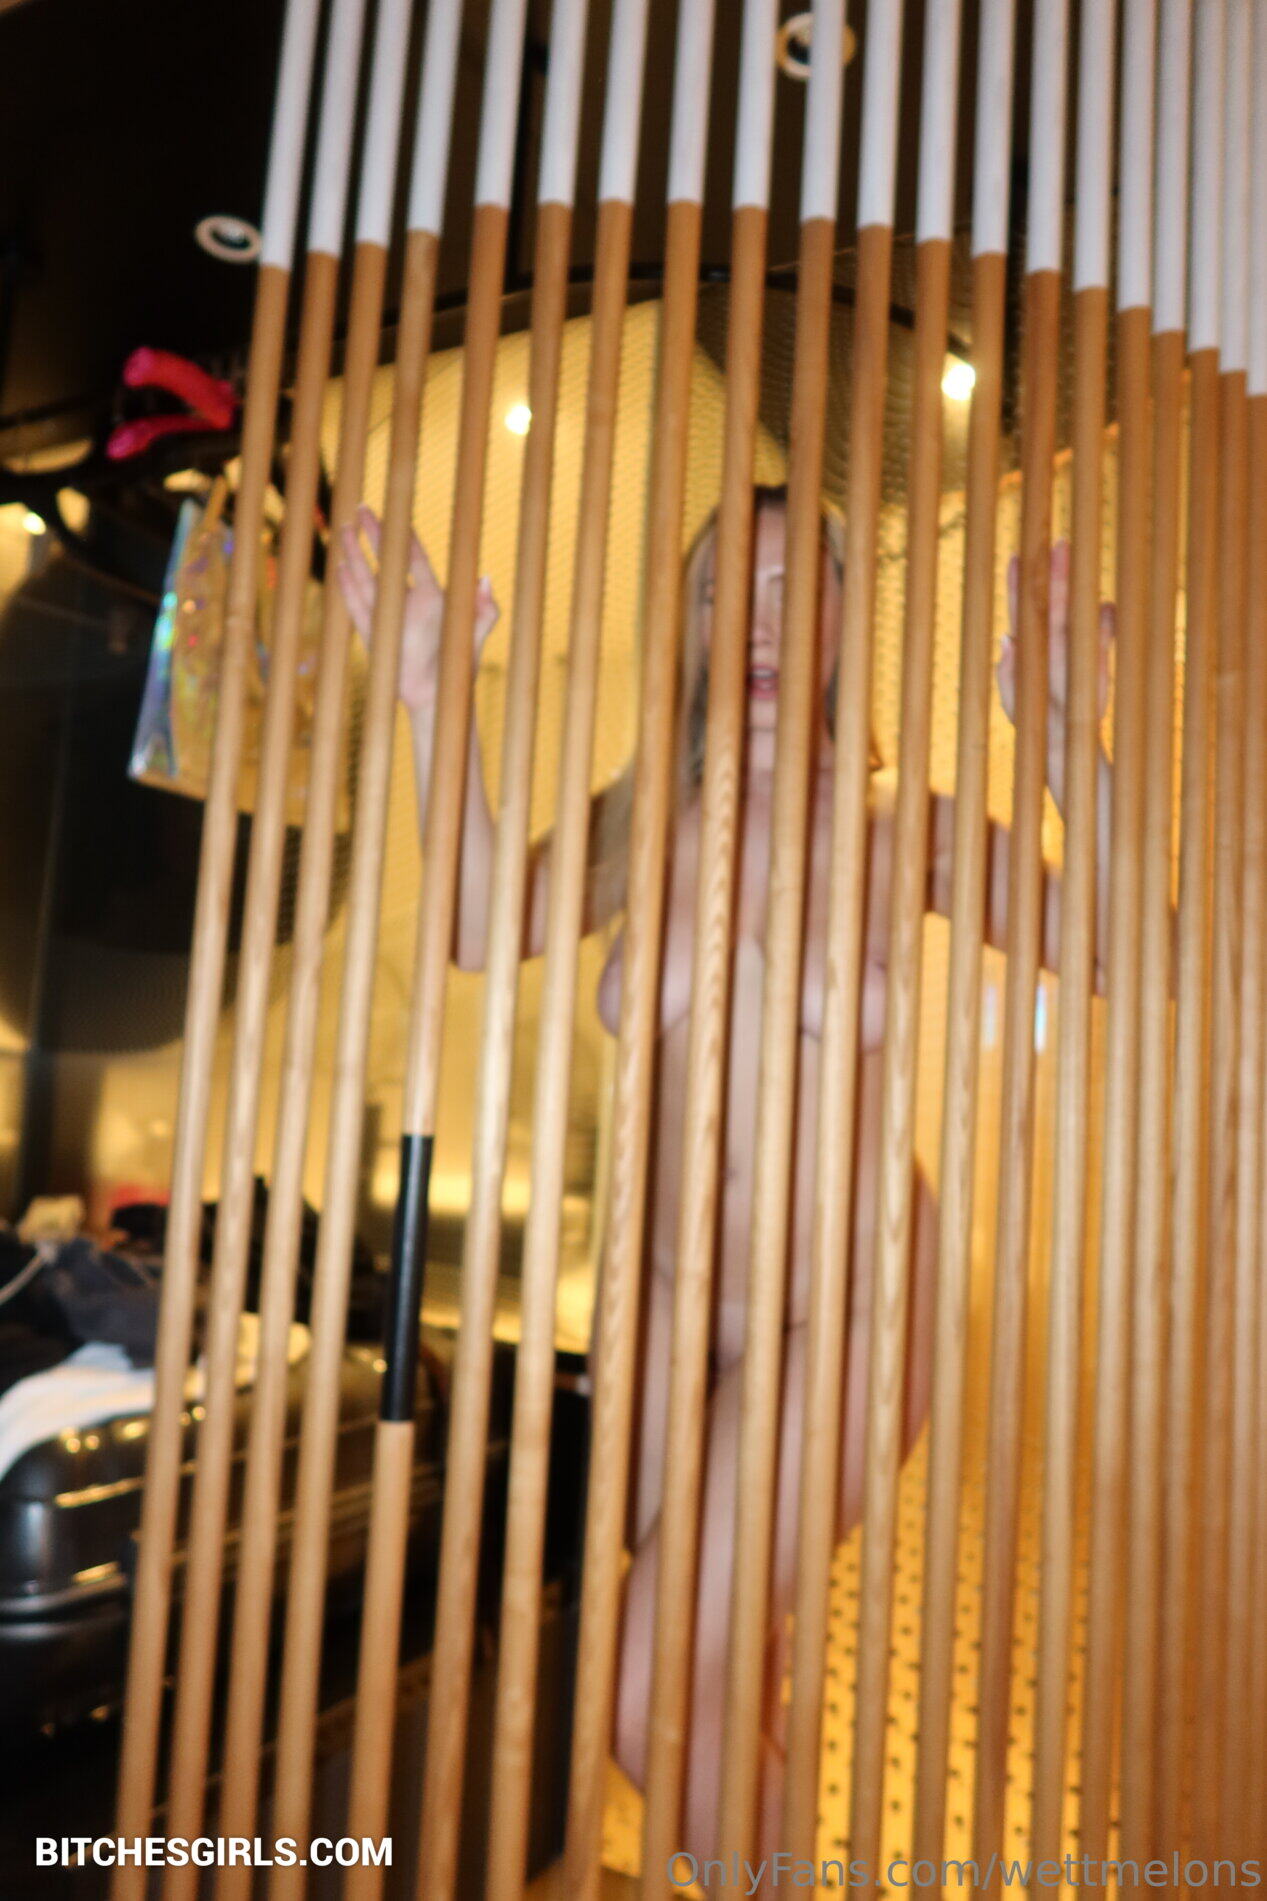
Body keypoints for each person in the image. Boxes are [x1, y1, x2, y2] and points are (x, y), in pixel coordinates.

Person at [336, 486, 1113, 1867]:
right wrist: (428, 691)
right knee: (723, 1673)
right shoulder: (647, 817)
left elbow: (1115, 942)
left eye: (789, 587)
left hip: (847, 1310)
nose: (753, 622)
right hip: (668, 1312)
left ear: (843, 620)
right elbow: (477, 924)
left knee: (645, 1691)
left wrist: (1065, 743)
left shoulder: (896, 826)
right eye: (719, 591)